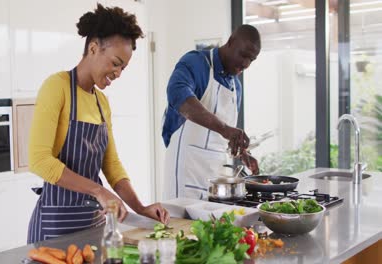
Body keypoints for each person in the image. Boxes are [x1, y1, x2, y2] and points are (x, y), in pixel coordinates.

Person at [27, 4, 169, 243]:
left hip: (95, 223)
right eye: (115, 63)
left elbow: (111, 165)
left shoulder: (101, 102)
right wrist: (99, 191)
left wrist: (140, 207)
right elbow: (39, 161)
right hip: (55, 226)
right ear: (93, 48)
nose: (118, 73)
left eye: (123, 67)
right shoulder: (57, 87)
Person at [162, 24, 261, 200]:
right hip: (186, 170)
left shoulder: (236, 87)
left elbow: (226, 136)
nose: (246, 64)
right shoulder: (197, 63)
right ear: (231, 42)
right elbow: (179, 98)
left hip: (216, 177)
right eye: (243, 55)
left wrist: (241, 151)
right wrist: (225, 129)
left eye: (251, 60)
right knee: (181, 225)